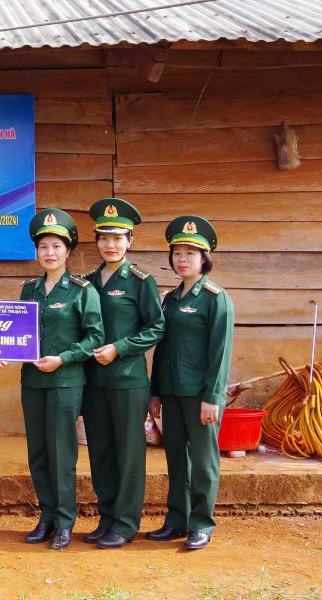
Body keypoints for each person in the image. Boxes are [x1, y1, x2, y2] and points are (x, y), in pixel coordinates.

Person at [0, 208, 103, 550]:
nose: (50, 253)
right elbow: (19, 334)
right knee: (39, 452)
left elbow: (95, 337)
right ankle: (46, 516)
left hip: (66, 382)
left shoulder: (82, 290)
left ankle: (64, 521)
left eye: (56, 246)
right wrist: (2, 351)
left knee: (61, 453)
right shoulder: (29, 290)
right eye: (43, 246)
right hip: (33, 383)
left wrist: (63, 358)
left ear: (68, 251)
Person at [79, 198, 165, 549]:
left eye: (117, 238)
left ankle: (126, 524)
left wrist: (120, 347)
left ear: (130, 240)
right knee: (100, 451)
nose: (110, 245)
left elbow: (156, 326)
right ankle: (107, 517)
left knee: (128, 454)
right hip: (93, 381)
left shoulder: (141, 281)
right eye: (104, 238)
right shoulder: (86, 282)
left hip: (128, 379)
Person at [147, 215, 234, 550]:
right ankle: (176, 520)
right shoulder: (170, 299)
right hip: (172, 392)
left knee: (203, 461)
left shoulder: (215, 298)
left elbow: (220, 353)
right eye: (177, 252)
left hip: (200, 395)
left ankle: (201, 523)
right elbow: (162, 348)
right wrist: (156, 391)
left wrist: (213, 396)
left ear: (204, 258)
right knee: (176, 460)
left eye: (190, 253)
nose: (182, 259)